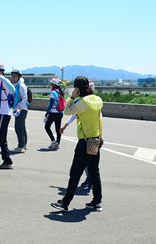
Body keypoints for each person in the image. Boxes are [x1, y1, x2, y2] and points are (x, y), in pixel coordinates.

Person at [51, 76, 104, 212]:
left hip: (84, 142)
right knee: (94, 172)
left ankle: (65, 202)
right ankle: (97, 202)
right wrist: (101, 137)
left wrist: (72, 97)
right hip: (95, 139)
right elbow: (100, 120)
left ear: (78, 89)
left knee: (75, 172)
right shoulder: (97, 100)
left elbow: (66, 110)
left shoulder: (82, 102)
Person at [10, 69, 29, 154]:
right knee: (22, 127)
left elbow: (25, 98)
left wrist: (19, 108)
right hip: (19, 109)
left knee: (18, 127)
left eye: (15, 76)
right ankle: (24, 145)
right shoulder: (16, 85)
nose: (13, 78)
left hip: (21, 109)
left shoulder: (21, 85)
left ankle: (21, 146)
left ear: (19, 76)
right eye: (12, 76)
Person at [44, 78, 65, 150]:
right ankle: (57, 143)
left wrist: (46, 113)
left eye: (51, 84)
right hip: (60, 113)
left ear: (54, 85)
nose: (50, 85)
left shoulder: (53, 93)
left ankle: (53, 141)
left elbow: (51, 105)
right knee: (58, 129)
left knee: (47, 127)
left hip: (53, 113)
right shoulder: (60, 92)